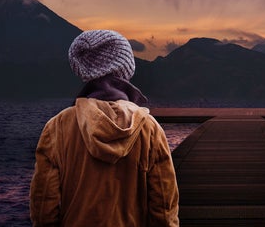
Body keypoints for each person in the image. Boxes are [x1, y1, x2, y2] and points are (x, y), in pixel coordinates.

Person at [30, 30, 179, 226]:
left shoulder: (57, 128)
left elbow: (43, 209)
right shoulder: (149, 129)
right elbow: (164, 208)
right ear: (125, 67)